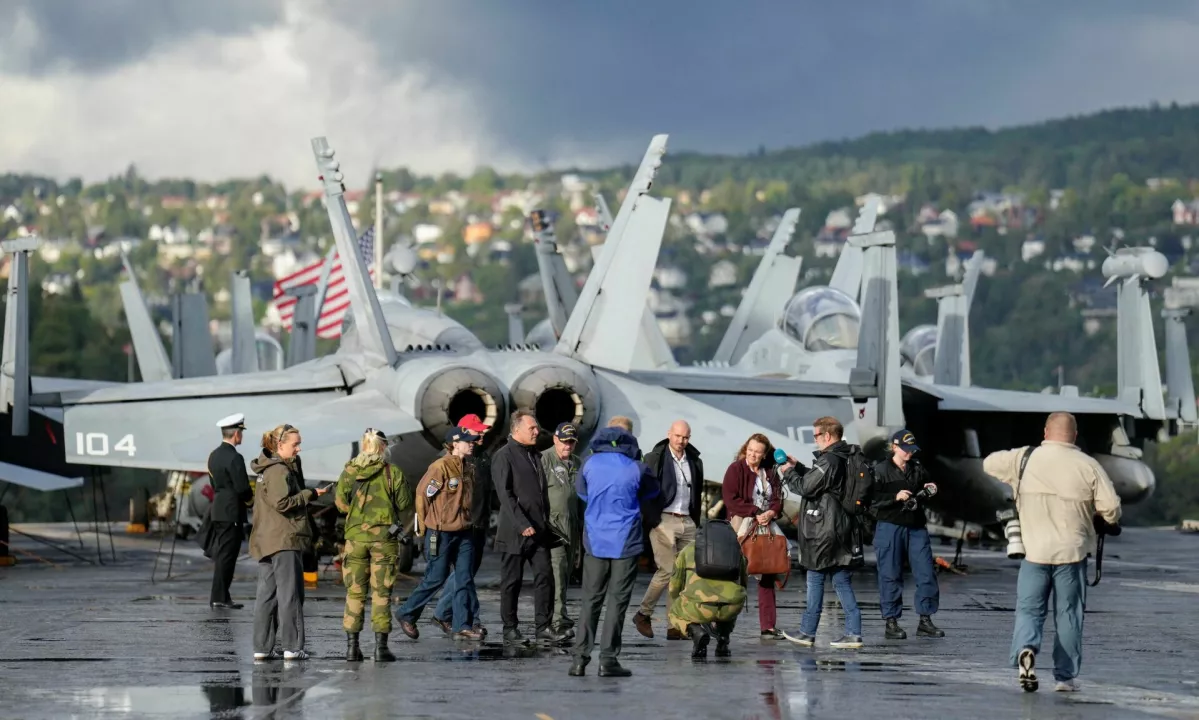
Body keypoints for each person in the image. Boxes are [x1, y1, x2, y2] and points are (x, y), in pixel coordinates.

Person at [983, 412, 1122, 693]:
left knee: (1029, 611)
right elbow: (1111, 508)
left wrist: (1016, 480)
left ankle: (1026, 649)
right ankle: (1064, 678)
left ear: (1045, 432)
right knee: (1068, 615)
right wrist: (1100, 517)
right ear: (1075, 435)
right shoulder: (1088, 465)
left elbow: (989, 463)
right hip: (1071, 554)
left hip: (1034, 552)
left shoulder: (1024, 458)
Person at [568, 425, 659, 677]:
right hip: (625, 540)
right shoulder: (638, 468)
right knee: (617, 602)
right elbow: (652, 492)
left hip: (595, 539)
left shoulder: (588, 464)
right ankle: (608, 660)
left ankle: (579, 659)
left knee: (590, 600)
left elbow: (581, 493)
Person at [394, 427, 484, 641]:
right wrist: (424, 526)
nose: (472, 444)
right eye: (468, 441)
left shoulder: (469, 468)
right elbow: (422, 495)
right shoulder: (440, 467)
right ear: (455, 444)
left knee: (464, 578)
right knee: (436, 577)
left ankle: (462, 625)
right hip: (441, 533)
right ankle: (406, 613)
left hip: (464, 532)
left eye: (472, 441)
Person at [782, 416, 863, 649]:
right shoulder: (846, 456)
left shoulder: (829, 460)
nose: (815, 439)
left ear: (827, 436)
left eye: (816, 435)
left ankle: (807, 632)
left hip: (824, 530)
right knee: (841, 580)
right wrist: (798, 467)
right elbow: (822, 480)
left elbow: (805, 487)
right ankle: (854, 633)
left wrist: (788, 472)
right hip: (842, 528)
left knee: (815, 578)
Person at [249, 424, 328, 661]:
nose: (299, 449)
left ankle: (262, 648)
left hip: (267, 539)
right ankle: (292, 647)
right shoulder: (279, 471)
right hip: (284, 539)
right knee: (289, 595)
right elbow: (282, 503)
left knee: (267, 596)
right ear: (279, 444)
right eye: (295, 444)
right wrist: (309, 494)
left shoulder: (267, 469)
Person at [334, 428, 413, 662]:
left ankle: (352, 648)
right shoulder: (392, 472)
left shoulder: (349, 471)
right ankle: (381, 649)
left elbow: (340, 503)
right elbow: (404, 503)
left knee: (355, 593)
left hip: (355, 538)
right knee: (381, 593)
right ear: (383, 447)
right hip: (384, 540)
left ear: (363, 445)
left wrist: (358, 515)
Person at [492, 410, 568, 645]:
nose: (537, 431)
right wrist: (521, 523)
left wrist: (545, 523)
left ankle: (543, 626)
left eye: (536, 427)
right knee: (512, 582)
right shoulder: (504, 456)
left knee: (545, 576)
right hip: (515, 531)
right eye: (532, 428)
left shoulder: (534, 455)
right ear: (517, 430)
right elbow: (505, 494)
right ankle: (510, 629)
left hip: (538, 531)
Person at [633, 420, 704, 640]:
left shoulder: (694, 460)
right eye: (678, 436)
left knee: (685, 573)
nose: (681, 441)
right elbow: (642, 490)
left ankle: (674, 626)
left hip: (687, 521)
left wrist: (695, 520)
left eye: (685, 437)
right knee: (668, 570)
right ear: (669, 434)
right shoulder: (655, 458)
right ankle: (643, 614)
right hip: (664, 519)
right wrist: (653, 519)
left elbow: (697, 491)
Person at [871, 429, 945, 640]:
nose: (909, 453)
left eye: (912, 449)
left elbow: (928, 488)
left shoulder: (917, 469)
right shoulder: (880, 470)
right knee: (890, 574)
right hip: (890, 526)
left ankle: (925, 620)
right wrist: (895, 497)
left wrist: (931, 488)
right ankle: (891, 621)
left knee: (926, 573)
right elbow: (870, 501)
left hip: (916, 527)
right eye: (905, 449)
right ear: (894, 447)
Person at [431, 414, 494, 636]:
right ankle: (466, 619)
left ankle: (444, 614)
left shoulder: (481, 456)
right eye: (477, 431)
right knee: (463, 575)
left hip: (479, 523)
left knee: (465, 574)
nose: (482, 434)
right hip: (462, 525)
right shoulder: (451, 460)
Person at [720, 433, 784, 638]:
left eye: (757, 452)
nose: (752, 455)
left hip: (765, 525)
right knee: (735, 574)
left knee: (767, 574)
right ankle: (721, 622)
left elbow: (778, 499)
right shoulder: (735, 469)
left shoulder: (770, 472)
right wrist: (755, 511)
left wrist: (771, 512)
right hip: (741, 525)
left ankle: (768, 626)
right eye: (750, 450)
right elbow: (730, 499)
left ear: (764, 454)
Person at [668, 540, 748, 659]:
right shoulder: (735, 549)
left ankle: (696, 631)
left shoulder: (688, 549)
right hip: (730, 608)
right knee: (731, 598)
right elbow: (743, 582)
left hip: (700, 607)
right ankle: (723, 640)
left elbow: (674, 587)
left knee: (674, 612)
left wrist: (680, 600)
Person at [207, 413, 253, 609]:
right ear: (236, 434)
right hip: (232, 511)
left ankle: (221, 596)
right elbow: (242, 487)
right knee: (227, 556)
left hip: (218, 508)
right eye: (241, 432)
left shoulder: (213, 455)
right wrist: (251, 501)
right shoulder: (235, 457)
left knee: (223, 555)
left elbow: (213, 483)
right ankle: (220, 597)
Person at [541, 422, 582, 637]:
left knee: (566, 573)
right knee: (557, 573)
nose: (568, 446)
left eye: (571, 442)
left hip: (573, 525)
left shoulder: (577, 462)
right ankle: (558, 620)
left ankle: (559, 615)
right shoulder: (544, 459)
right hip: (553, 526)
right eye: (564, 441)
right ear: (555, 439)